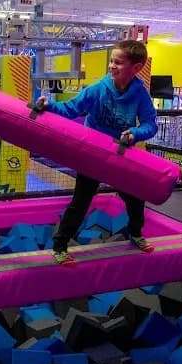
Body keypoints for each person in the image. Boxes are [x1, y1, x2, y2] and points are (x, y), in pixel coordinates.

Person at [34, 39, 158, 266]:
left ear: (136, 68)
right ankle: (60, 246)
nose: (112, 66)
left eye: (118, 63)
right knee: (81, 201)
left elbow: (151, 124)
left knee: (135, 197)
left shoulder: (140, 94)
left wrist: (135, 134)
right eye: (111, 61)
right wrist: (48, 105)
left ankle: (135, 233)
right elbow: (70, 108)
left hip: (119, 154)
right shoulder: (97, 90)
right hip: (94, 154)